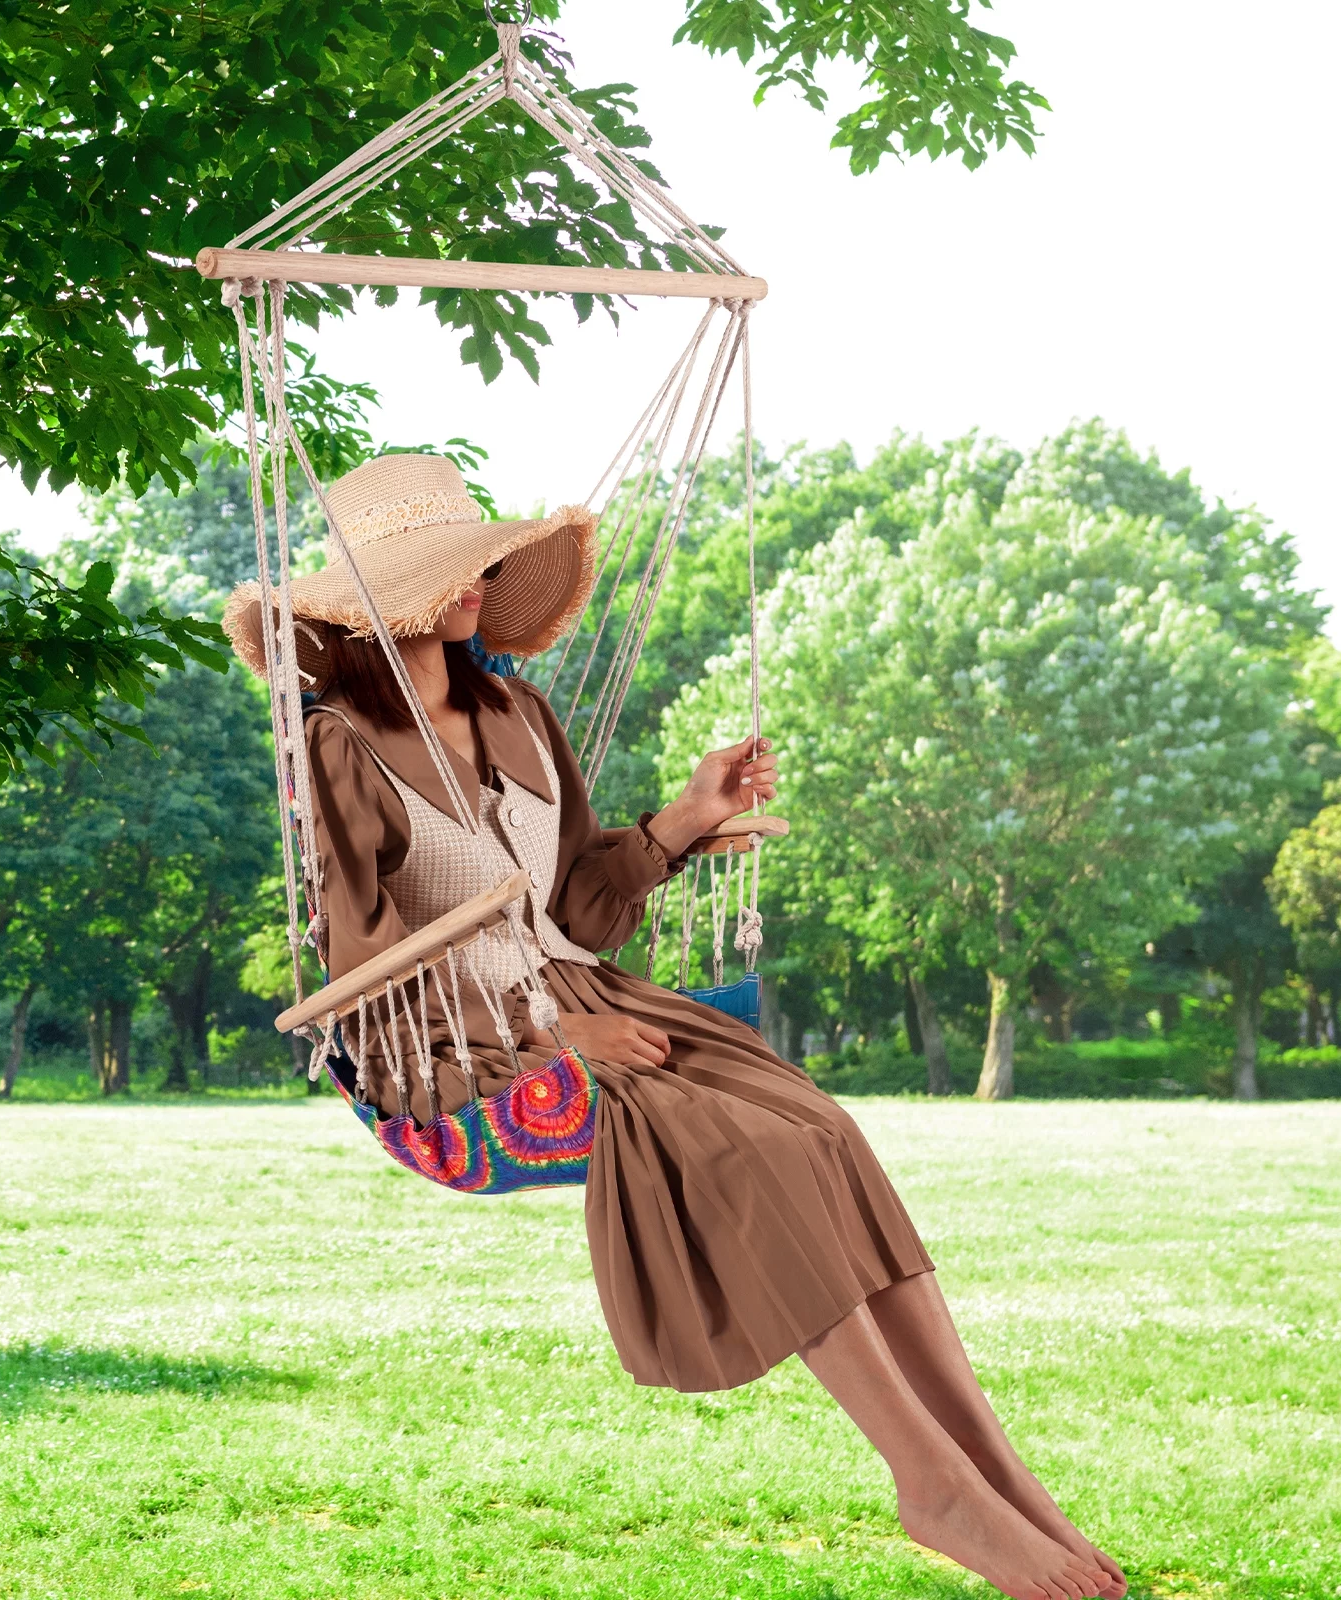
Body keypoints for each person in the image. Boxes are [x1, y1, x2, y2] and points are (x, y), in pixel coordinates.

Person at [224, 453, 1127, 1600]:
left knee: (820, 1129)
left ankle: (995, 1475)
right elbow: (365, 964)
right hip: (460, 1051)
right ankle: (927, 1481)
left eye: (477, 559)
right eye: (446, 567)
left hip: (596, 999)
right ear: (377, 601)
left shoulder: (516, 709)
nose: (476, 582)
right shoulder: (340, 745)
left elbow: (574, 907)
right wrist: (551, 1037)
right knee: (743, 1149)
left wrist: (689, 815)